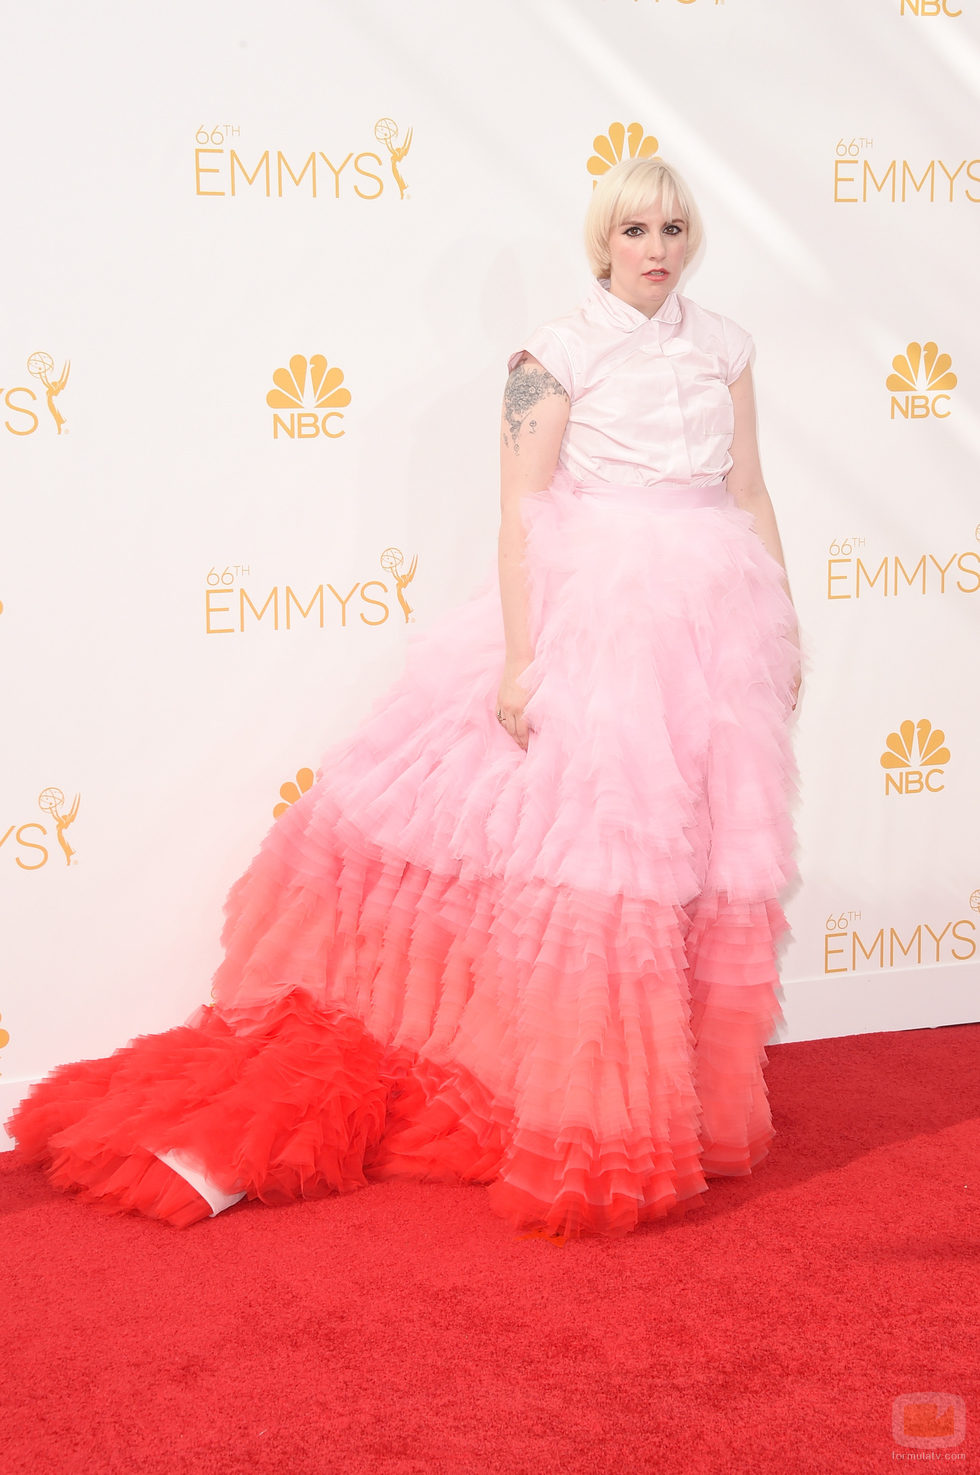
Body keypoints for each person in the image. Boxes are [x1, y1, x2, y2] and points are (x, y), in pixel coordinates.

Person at [8, 157, 800, 1243]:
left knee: (692, 864)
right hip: (598, 620)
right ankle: (591, 1111)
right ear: (600, 240)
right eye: (632, 230)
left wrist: (783, 621)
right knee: (599, 866)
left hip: (714, 628)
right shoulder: (552, 355)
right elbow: (519, 512)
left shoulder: (725, 348)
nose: (654, 248)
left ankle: (677, 1102)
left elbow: (746, 487)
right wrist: (524, 660)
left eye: (671, 227)